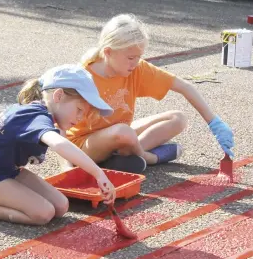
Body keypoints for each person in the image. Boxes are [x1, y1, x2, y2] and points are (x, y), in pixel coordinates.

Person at [0, 65, 116, 225]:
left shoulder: (43, 114)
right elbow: (58, 143)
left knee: (61, 206)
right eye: (79, 110)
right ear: (59, 96)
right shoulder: (35, 116)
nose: (80, 119)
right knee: (42, 213)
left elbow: (62, 140)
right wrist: (97, 173)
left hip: (3, 169)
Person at [64, 14, 234, 173]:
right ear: (108, 52)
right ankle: (148, 157)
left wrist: (215, 123)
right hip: (85, 145)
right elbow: (58, 126)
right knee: (123, 132)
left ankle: (122, 157)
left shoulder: (137, 68)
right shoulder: (82, 77)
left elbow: (185, 87)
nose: (135, 63)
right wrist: (67, 169)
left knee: (178, 118)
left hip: (122, 136)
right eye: (131, 58)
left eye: (139, 57)